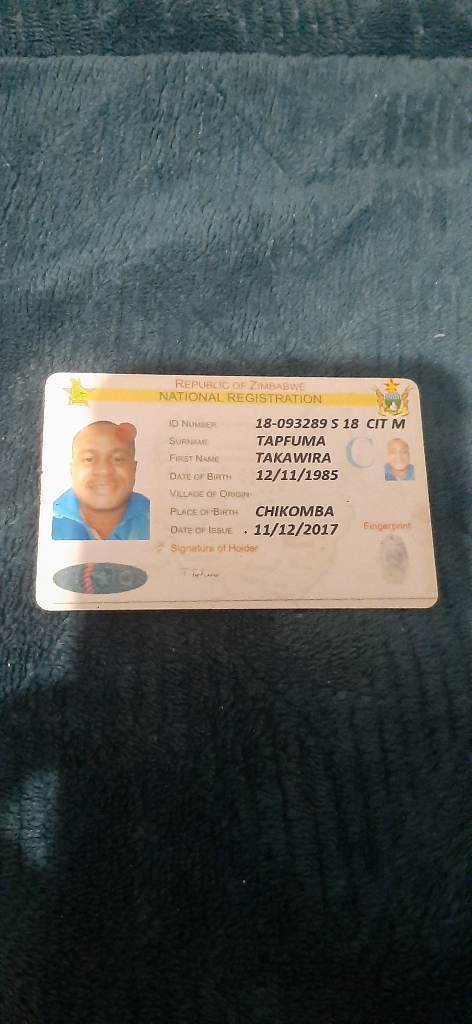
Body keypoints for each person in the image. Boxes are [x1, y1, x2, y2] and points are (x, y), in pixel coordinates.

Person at [52, 421, 150, 539]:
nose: (103, 470)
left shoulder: (158, 517)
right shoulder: (46, 520)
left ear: (134, 468)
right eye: (89, 459)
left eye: (117, 459)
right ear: (72, 469)